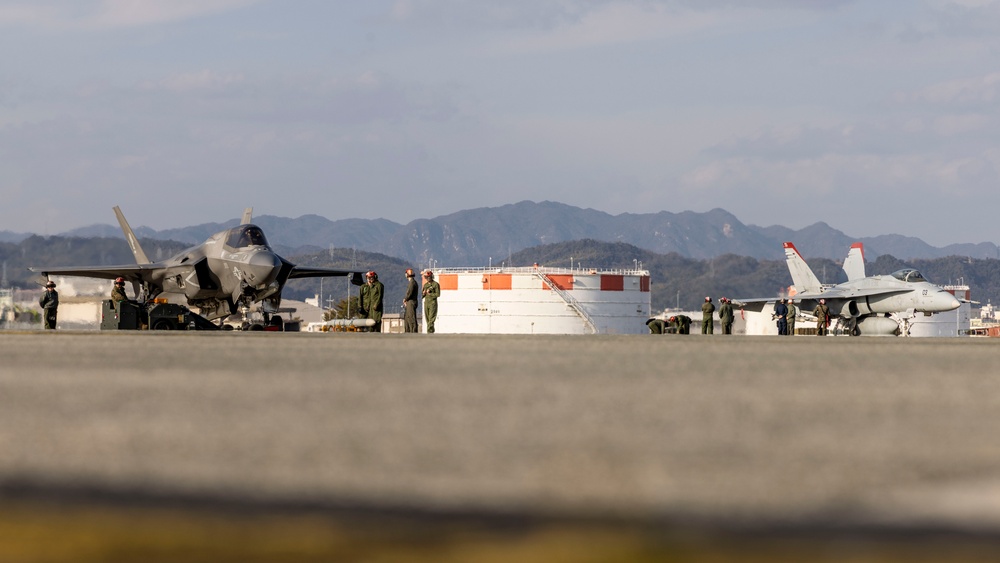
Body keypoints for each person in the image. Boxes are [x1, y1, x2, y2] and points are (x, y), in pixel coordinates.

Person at [402, 268, 419, 333]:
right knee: (407, 318)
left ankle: (413, 332)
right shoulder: (412, 282)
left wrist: (405, 299)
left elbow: (409, 293)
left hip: (411, 302)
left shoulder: (412, 283)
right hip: (409, 302)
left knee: (411, 318)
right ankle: (408, 331)